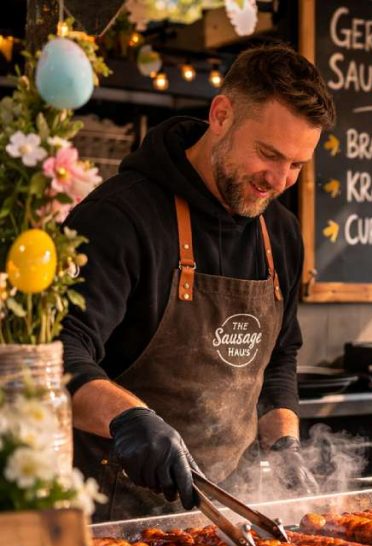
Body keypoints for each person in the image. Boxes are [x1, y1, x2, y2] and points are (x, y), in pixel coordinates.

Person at [59, 45, 335, 520]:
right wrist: (129, 418)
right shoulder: (120, 217)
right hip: (112, 517)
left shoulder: (281, 232)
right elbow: (59, 353)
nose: (279, 180)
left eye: (296, 165)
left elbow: (279, 357)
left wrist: (285, 439)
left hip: (228, 512)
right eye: (268, 154)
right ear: (222, 114)